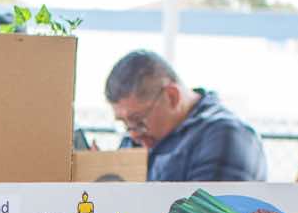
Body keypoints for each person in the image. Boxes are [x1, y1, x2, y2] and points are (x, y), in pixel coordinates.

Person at [104, 49, 267, 182]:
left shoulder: (224, 135)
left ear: (172, 97)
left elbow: (204, 212)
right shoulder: (138, 138)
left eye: (139, 121)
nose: (133, 134)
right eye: (125, 125)